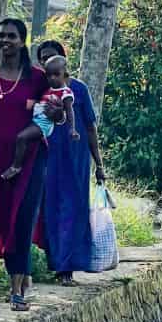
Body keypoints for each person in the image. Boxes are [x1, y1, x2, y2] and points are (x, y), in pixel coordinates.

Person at [0, 18, 62, 312]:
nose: (5, 41)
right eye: (1, 36)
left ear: (22, 41)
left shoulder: (37, 77)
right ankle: (19, 277)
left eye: (11, 36)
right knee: (4, 223)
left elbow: (54, 114)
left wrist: (58, 113)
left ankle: (17, 290)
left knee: (22, 222)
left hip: (32, 160)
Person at [37, 40, 106, 286]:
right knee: (51, 210)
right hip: (48, 159)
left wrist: (99, 165)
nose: (48, 61)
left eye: (52, 57)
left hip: (76, 159)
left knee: (73, 211)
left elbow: (90, 127)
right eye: (43, 59)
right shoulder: (40, 91)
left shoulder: (79, 89)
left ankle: (67, 267)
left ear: (64, 62)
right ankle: (54, 263)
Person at [1, 54, 77, 181]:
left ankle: (16, 166)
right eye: (49, 75)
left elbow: (69, 111)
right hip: (37, 119)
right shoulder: (49, 89)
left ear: (65, 75)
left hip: (44, 123)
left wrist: (72, 129)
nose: (52, 78)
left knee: (21, 137)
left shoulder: (65, 93)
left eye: (56, 74)